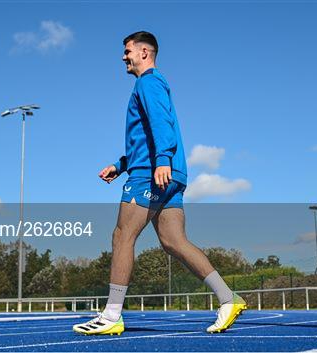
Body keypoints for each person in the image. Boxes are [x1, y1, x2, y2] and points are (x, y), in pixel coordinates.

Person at [73, 31, 246, 336]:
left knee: (122, 235)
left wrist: (162, 159)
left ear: (144, 52)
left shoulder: (148, 82)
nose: (123, 57)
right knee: (173, 241)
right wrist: (120, 164)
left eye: (127, 51)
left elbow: (160, 123)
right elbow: (145, 137)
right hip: (166, 173)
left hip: (152, 172)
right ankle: (228, 298)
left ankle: (112, 314)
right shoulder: (152, 84)